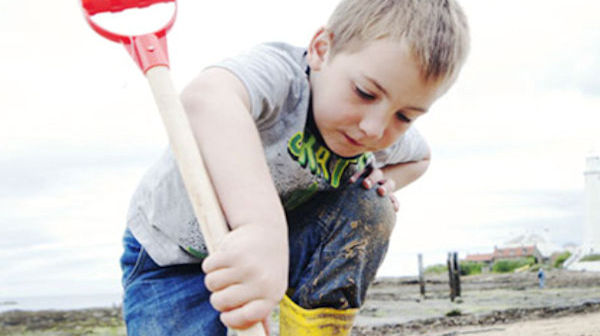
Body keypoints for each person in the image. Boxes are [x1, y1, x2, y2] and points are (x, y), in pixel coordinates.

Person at [119, 0, 470, 335]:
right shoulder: (283, 76)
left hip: (276, 251)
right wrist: (259, 226)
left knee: (369, 205)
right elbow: (206, 97)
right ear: (321, 49)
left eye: (405, 116)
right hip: (172, 259)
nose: (375, 129)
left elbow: (420, 158)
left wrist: (385, 179)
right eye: (365, 93)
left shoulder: (380, 134)